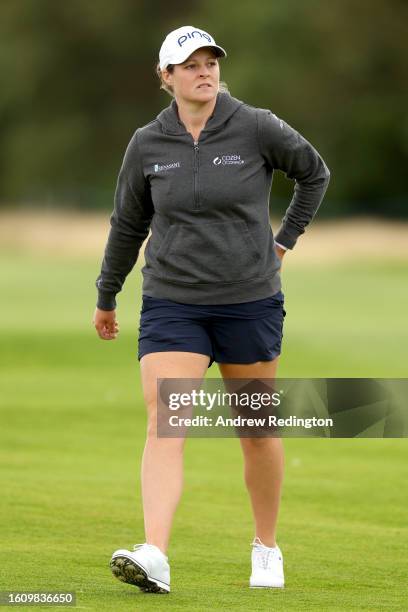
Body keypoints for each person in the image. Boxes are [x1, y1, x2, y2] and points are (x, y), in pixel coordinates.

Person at [93, 25, 330, 594]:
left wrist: (283, 241)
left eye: (211, 61)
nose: (204, 71)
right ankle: (155, 553)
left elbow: (313, 174)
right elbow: (128, 223)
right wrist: (107, 293)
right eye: (190, 63)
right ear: (165, 76)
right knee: (165, 421)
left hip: (250, 301)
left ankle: (266, 547)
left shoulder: (255, 125)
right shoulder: (147, 144)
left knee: (255, 428)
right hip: (174, 302)